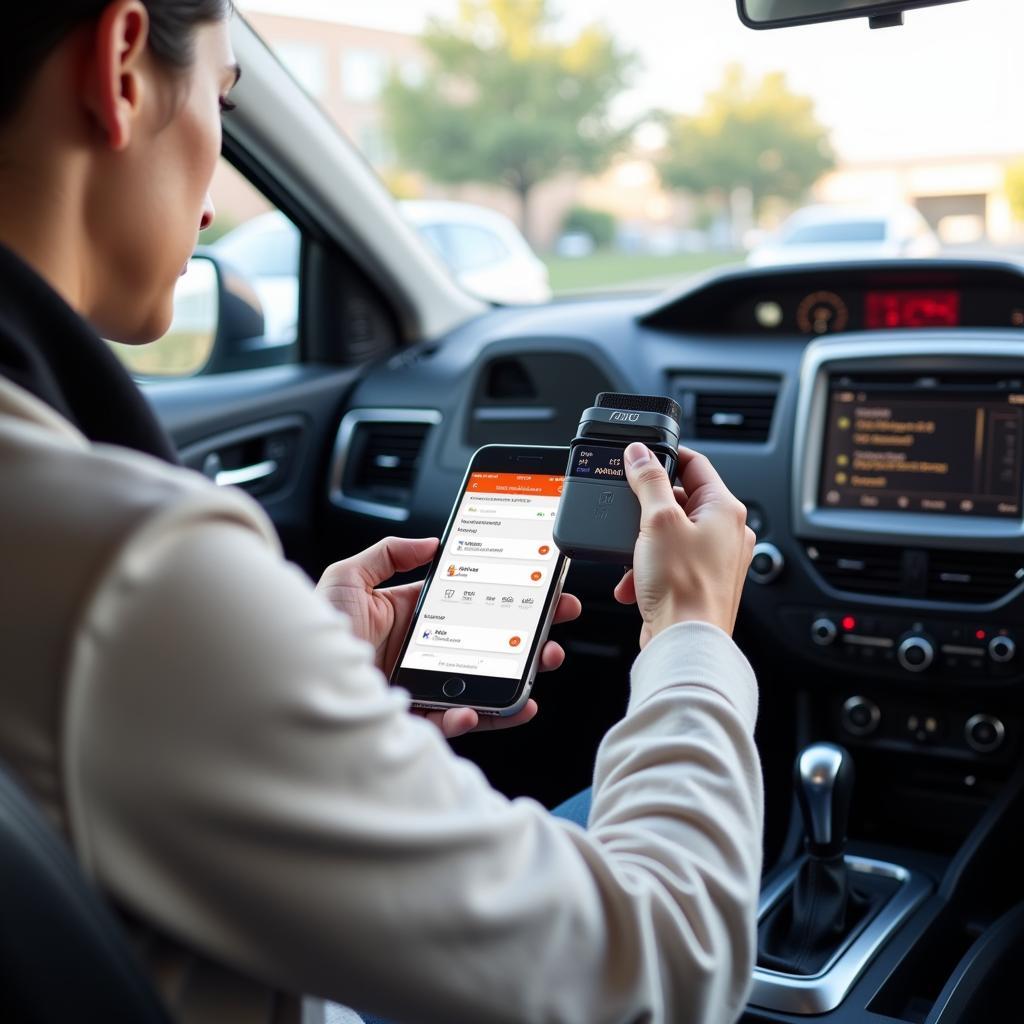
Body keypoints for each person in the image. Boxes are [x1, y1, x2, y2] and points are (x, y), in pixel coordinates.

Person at [0, 3, 762, 1023]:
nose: (219, 199)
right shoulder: (127, 571)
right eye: (223, 99)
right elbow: (667, 962)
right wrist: (692, 631)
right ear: (124, 63)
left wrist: (286, 667)